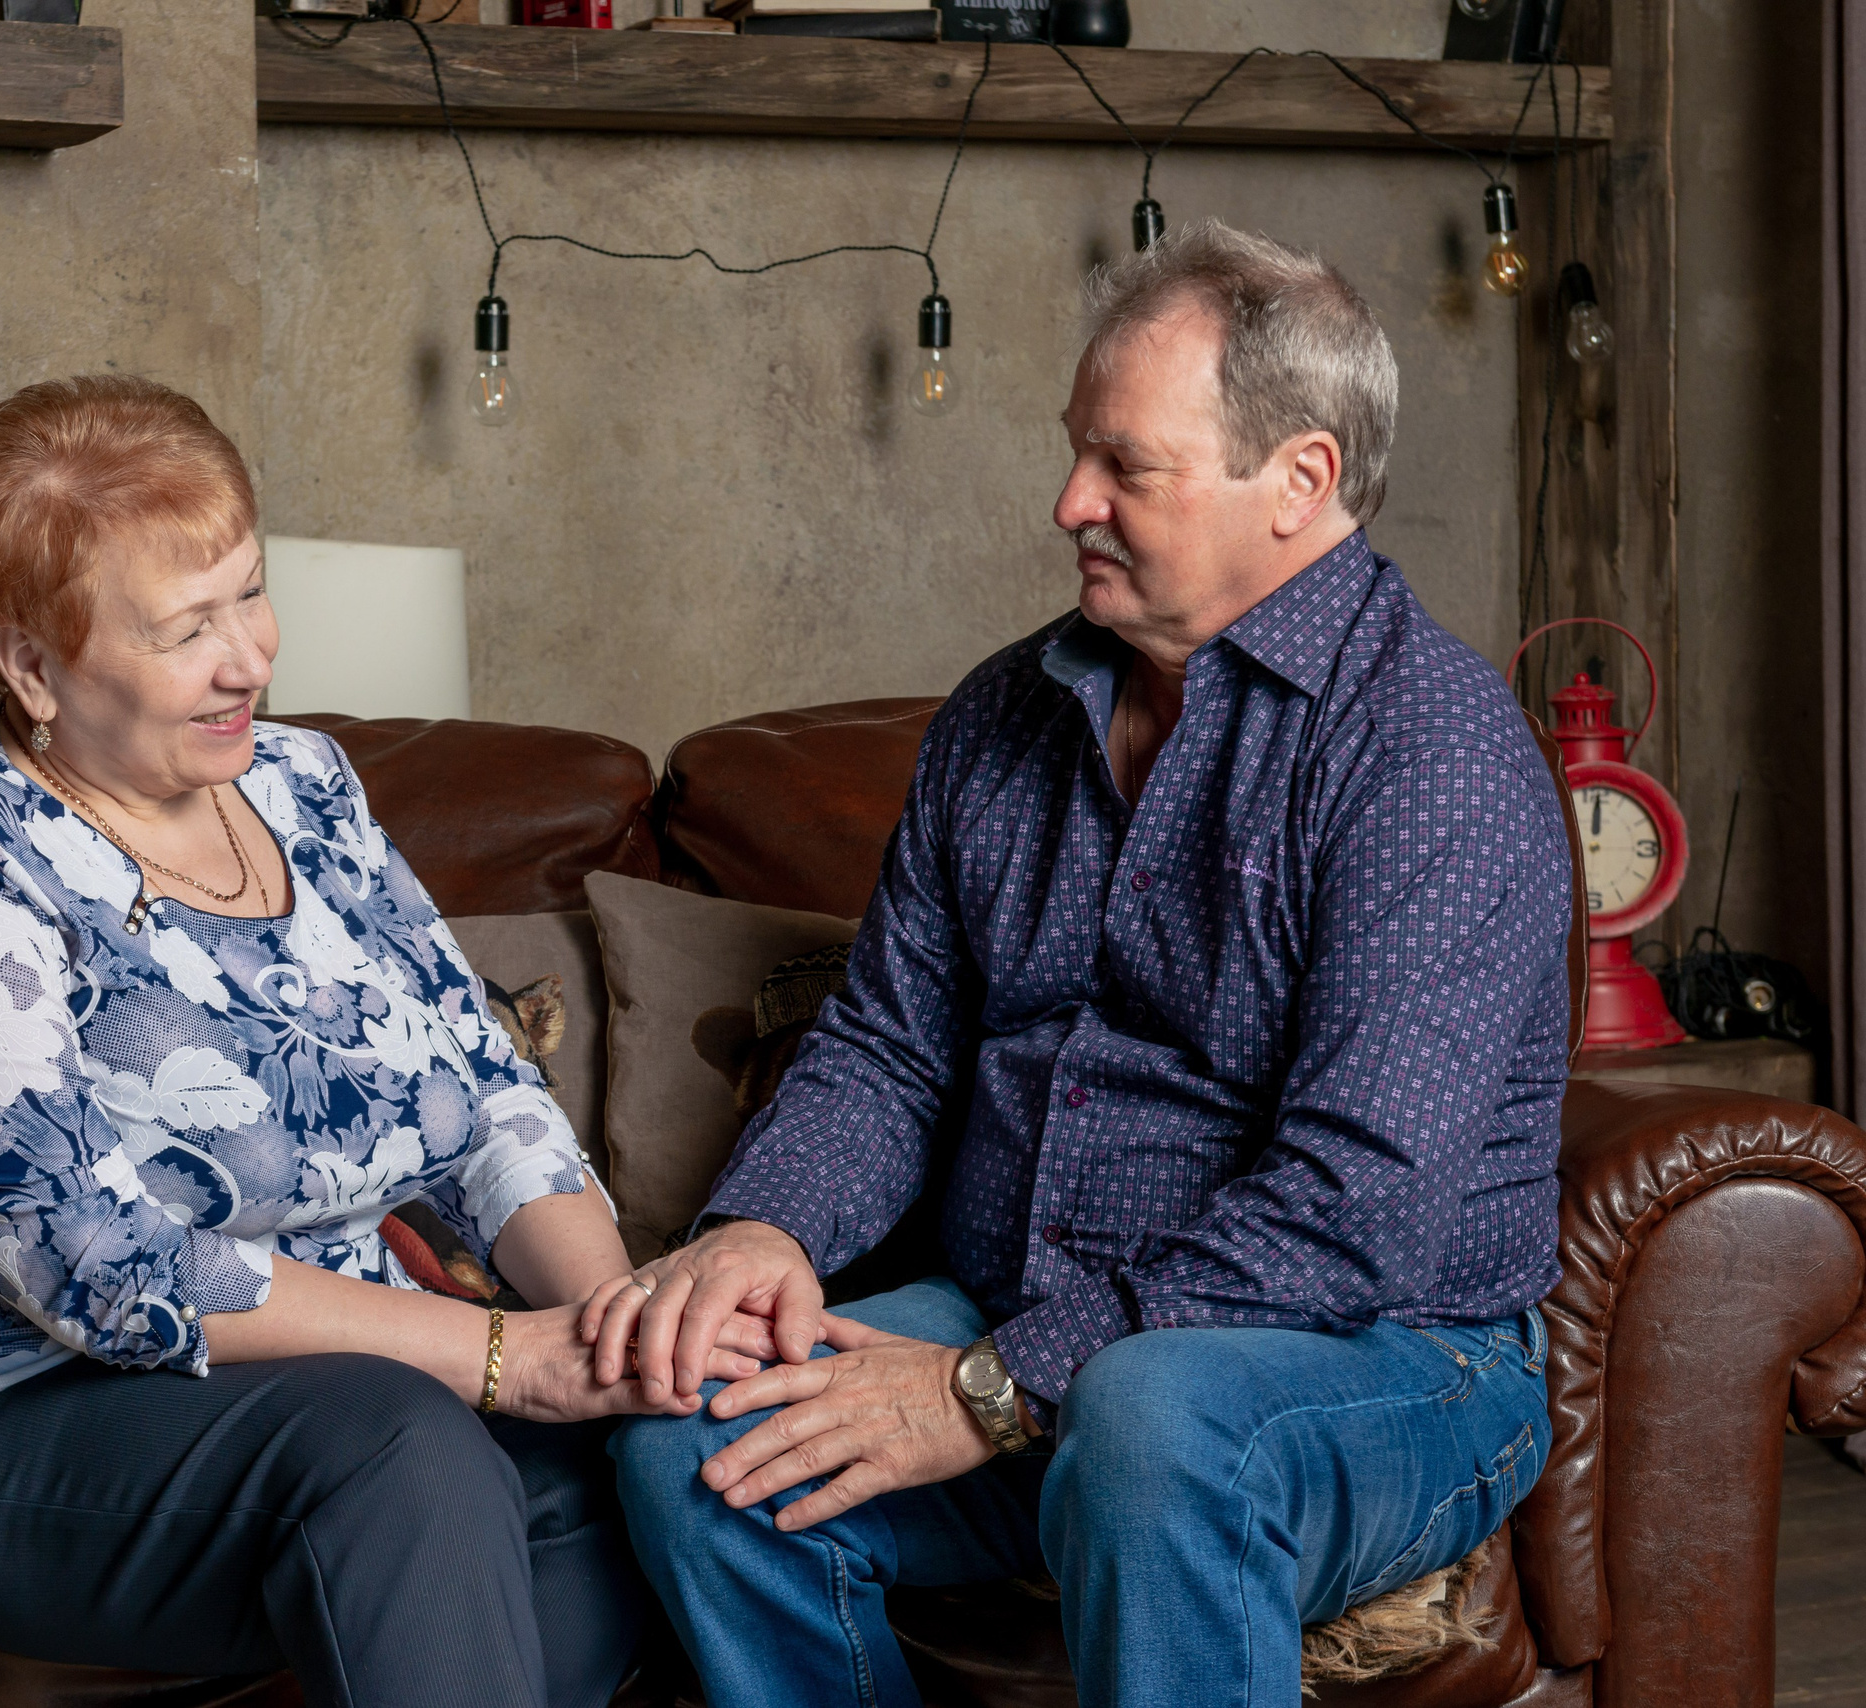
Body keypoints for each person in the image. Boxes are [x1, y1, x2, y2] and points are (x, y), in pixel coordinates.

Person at [591, 222, 1572, 1708]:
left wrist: (995, 1388)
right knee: (692, 1437)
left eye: (1129, 467)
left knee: (1148, 1423)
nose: (1071, 503)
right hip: (1031, 1315)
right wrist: (764, 1230)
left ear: (1299, 482)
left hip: (1381, 1362)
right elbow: (891, 1046)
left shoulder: (1425, 750)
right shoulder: (1004, 714)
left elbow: (1353, 1207)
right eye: (1074, 453)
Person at [0, 375, 767, 1708]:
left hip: (345, 1383)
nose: (250, 656)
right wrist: (504, 1360)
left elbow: (482, 1093)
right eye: (187, 628)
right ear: (29, 662)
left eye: (249, 591)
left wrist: (605, 1330)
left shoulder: (302, 785)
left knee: (624, 1453)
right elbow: (103, 1278)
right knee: (403, 1446)